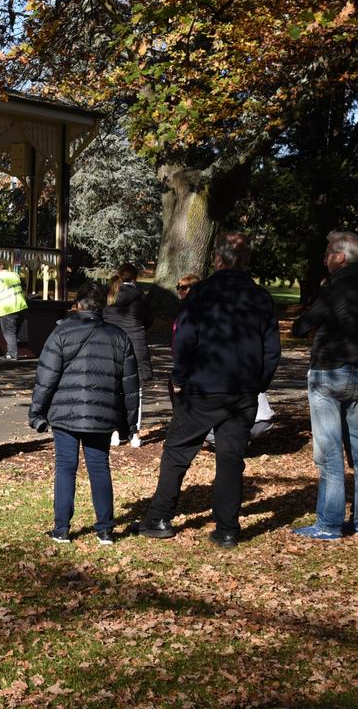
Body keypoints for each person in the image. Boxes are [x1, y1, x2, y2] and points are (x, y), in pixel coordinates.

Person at [137, 232, 280, 548]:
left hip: (203, 386)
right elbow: (271, 349)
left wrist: (181, 376)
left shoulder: (200, 294)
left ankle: (159, 517)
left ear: (218, 259)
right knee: (231, 458)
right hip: (241, 389)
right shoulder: (260, 297)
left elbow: (184, 339)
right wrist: (258, 384)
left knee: (177, 452)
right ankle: (227, 527)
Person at [29, 283, 140, 545]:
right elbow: (130, 384)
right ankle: (105, 530)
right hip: (102, 413)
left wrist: (37, 412)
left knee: (66, 468)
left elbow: (46, 377)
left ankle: (62, 529)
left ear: (77, 304)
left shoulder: (61, 333)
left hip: (65, 411)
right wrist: (129, 423)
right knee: (99, 468)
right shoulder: (119, 336)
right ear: (103, 306)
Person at [290, 231, 358, 540]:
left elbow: (300, 326)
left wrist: (314, 326)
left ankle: (328, 523)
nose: (325, 259)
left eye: (328, 253)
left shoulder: (334, 290)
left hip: (327, 374)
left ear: (340, 257)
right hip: (354, 373)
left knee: (329, 453)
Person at [104, 263, 153, 448]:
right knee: (136, 391)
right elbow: (149, 320)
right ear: (135, 277)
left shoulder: (110, 296)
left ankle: (115, 431)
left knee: (114, 389)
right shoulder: (140, 297)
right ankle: (135, 433)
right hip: (135, 345)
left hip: (113, 345)